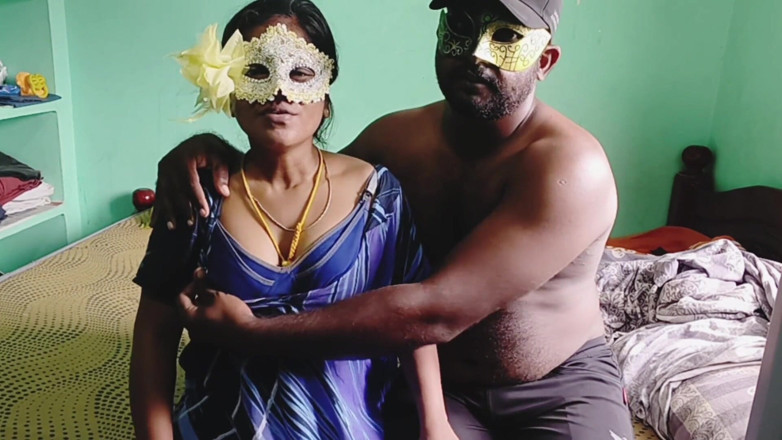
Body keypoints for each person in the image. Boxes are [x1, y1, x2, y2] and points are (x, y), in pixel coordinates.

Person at [155, 0, 635, 438]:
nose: (476, 54)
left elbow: (435, 312)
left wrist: (249, 334)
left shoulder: (571, 168)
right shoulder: (396, 141)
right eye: (461, 25)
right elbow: (297, 181)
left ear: (544, 62)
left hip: (557, 385)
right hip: (437, 387)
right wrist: (202, 154)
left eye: (507, 36)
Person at [129, 1, 458, 439]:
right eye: (257, 71)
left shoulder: (378, 195)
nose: (280, 91)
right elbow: (155, 334)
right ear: (230, 92)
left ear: (326, 93)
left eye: (301, 72)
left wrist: (436, 424)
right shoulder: (197, 193)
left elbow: (412, 321)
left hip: (347, 427)